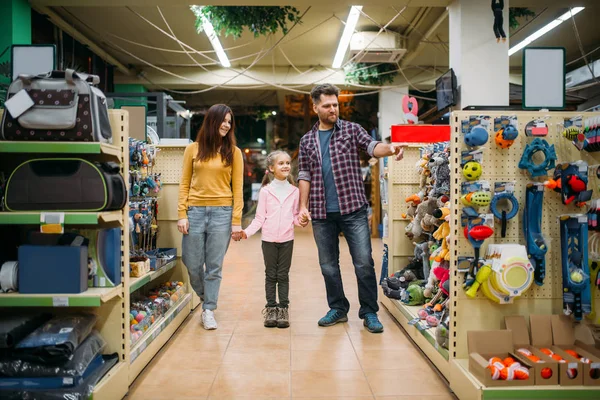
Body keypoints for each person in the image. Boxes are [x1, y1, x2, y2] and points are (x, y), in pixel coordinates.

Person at [297, 84, 404, 334]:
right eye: (327, 105)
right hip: (322, 213)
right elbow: (304, 174)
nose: (333, 109)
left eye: (335, 104)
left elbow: (372, 146)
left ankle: (369, 312)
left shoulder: (351, 130)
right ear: (316, 108)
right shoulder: (307, 141)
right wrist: (303, 206)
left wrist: (390, 148)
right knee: (328, 266)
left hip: (353, 209)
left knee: (364, 262)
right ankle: (338, 308)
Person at [177, 104, 244, 330]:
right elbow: (184, 183)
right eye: (223, 120)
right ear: (212, 121)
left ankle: (208, 310)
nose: (226, 125)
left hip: (222, 213)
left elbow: (238, 189)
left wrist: (236, 221)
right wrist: (181, 214)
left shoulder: (234, 153)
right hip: (194, 212)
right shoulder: (192, 150)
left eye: (229, 121)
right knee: (191, 261)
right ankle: (208, 299)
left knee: (214, 265)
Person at [233, 150, 300, 329]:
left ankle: (283, 309)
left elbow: (294, 217)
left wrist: (301, 220)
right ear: (271, 168)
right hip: (268, 240)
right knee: (271, 275)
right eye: (281, 163)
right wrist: (246, 232)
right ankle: (271, 308)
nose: (286, 165)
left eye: (288, 162)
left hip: (287, 240)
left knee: (283, 275)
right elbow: (259, 218)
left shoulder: (294, 191)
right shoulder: (265, 192)